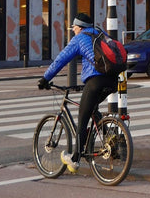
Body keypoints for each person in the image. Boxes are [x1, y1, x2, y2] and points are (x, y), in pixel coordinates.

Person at [37, 12, 117, 173]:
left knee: (82, 118)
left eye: (73, 27)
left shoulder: (79, 39)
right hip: (113, 80)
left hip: (96, 81)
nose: (72, 30)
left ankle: (75, 159)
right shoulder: (101, 33)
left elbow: (61, 59)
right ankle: (108, 137)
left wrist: (45, 79)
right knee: (92, 109)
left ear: (79, 27)